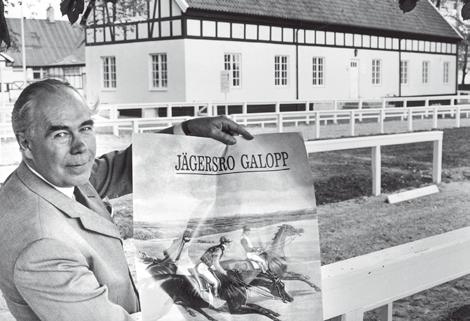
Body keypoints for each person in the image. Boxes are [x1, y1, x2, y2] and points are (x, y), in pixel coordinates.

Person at [0, 79, 253, 321]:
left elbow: (115, 169)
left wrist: (185, 132)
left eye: (86, 129)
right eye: (61, 135)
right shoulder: (41, 246)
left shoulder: (50, 174)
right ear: (26, 144)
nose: (81, 147)